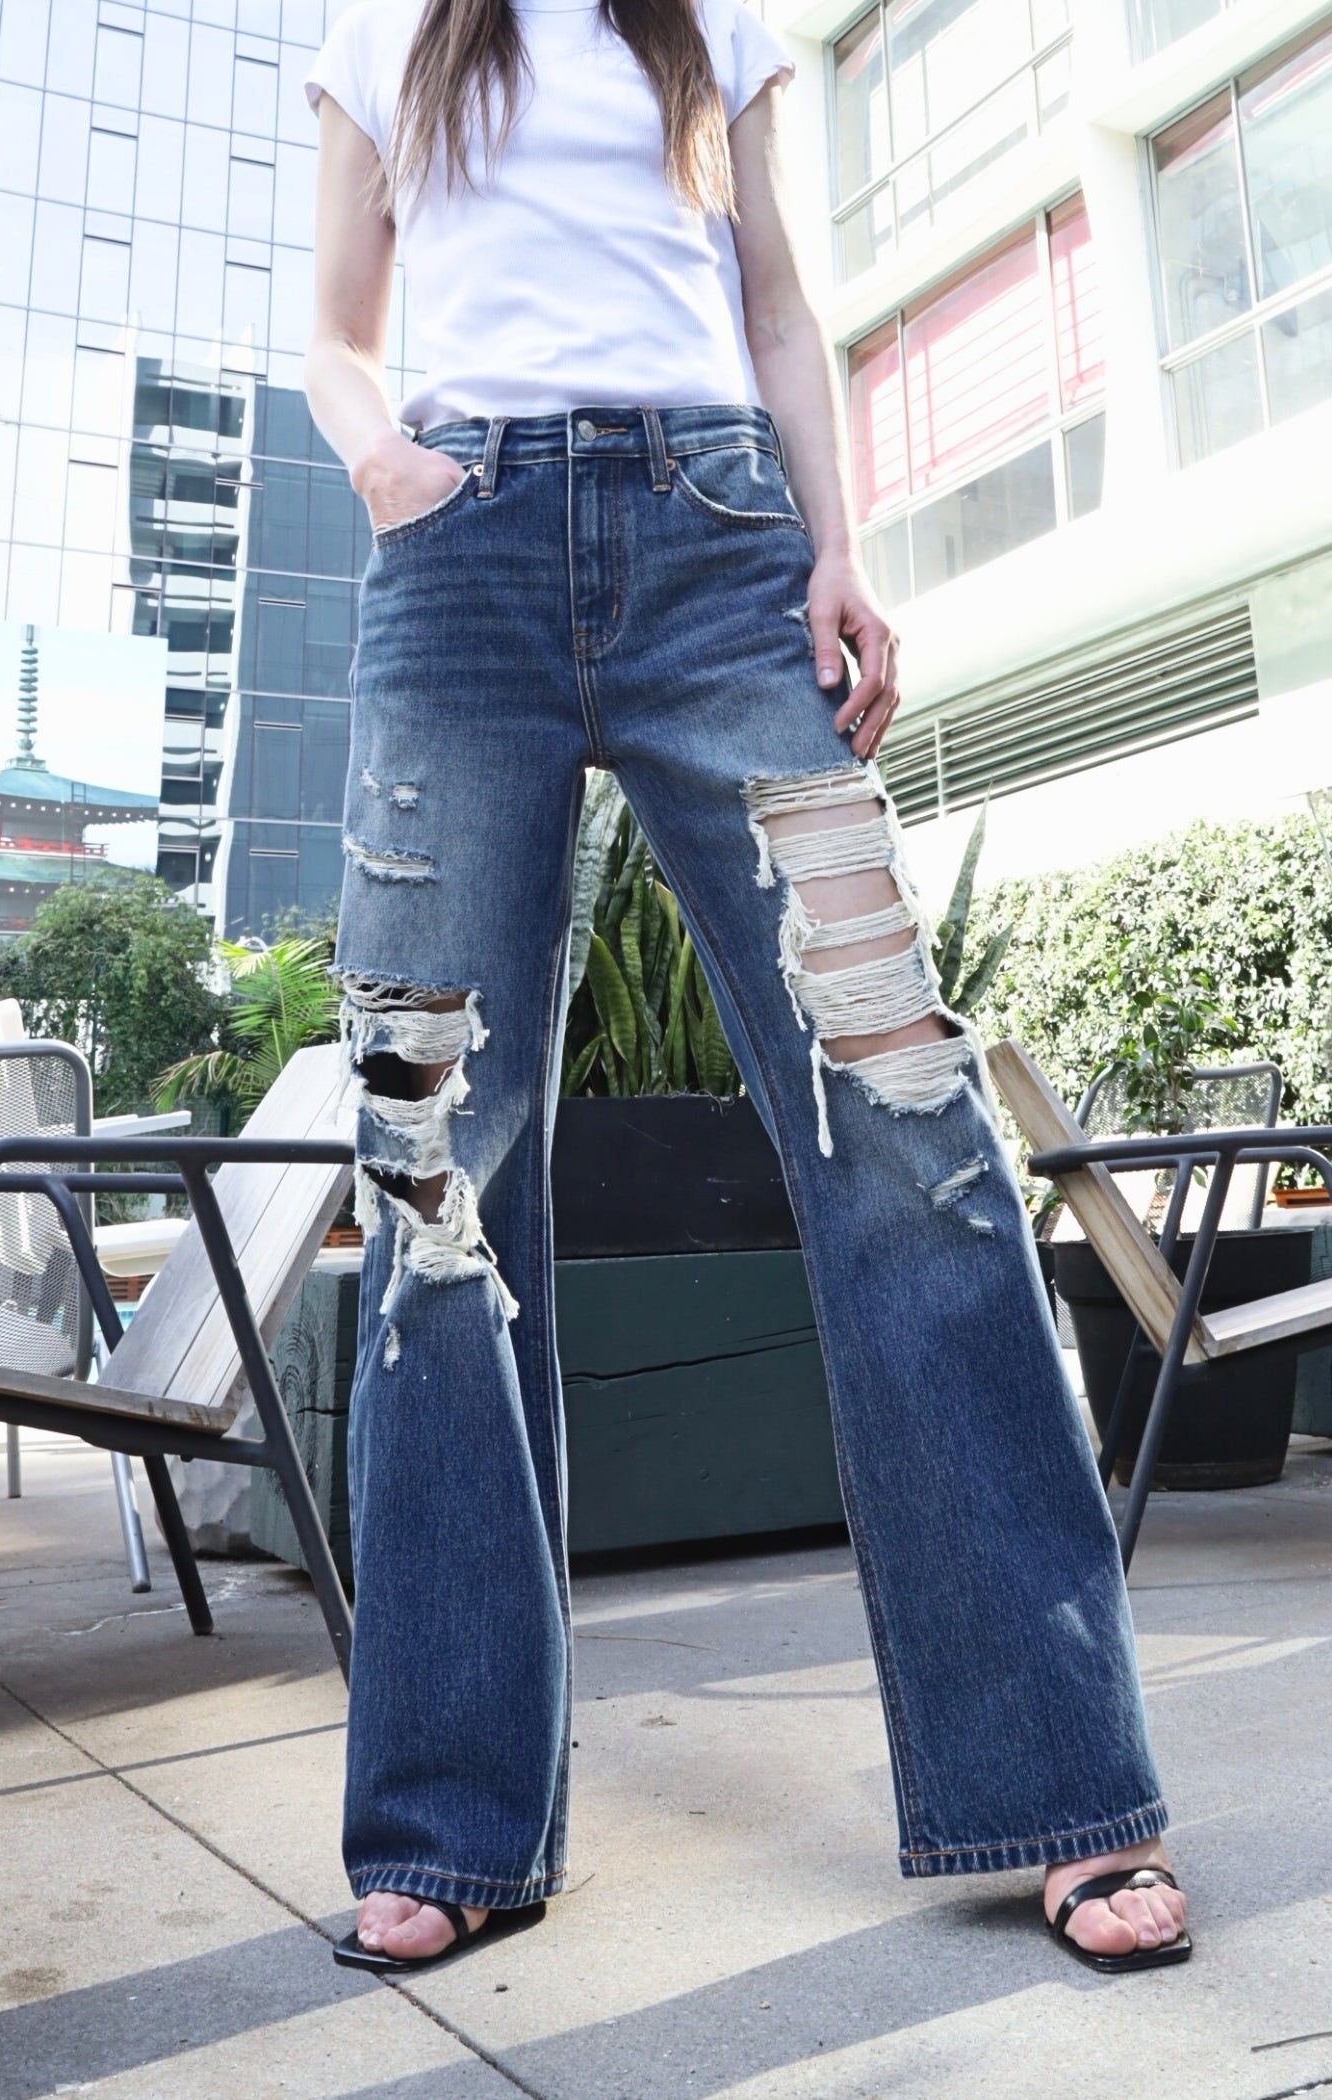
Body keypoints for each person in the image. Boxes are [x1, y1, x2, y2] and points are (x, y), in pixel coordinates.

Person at [302, 0, 1191, 1980]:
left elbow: (780, 303)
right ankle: (451, 1816)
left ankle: (1061, 1788)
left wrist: (839, 545)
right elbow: (335, 327)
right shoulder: (387, 27)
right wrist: (385, 465)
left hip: (719, 543)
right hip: (457, 567)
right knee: (434, 1179)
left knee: (909, 1132)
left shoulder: (716, 18)